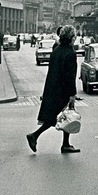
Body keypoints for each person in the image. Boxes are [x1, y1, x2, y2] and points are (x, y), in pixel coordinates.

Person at [26, 25, 80, 154]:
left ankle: (65, 144)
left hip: (52, 88)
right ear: (72, 38)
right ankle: (34, 135)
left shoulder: (56, 50)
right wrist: (72, 95)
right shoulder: (70, 53)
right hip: (63, 91)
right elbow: (70, 77)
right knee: (59, 117)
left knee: (65, 116)